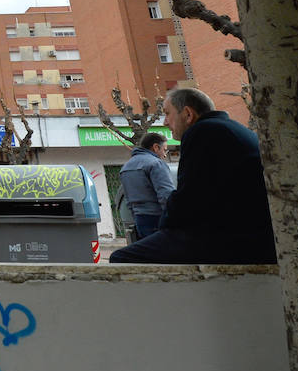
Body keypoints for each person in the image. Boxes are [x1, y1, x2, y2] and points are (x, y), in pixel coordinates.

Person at [111, 88, 276, 265]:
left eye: (167, 114)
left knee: (121, 259)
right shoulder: (233, 129)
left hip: (233, 236)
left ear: (188, 114)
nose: (165, 122)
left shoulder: (201, 132)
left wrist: (164, 226)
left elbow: (186, 199)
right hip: (253, 232)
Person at [119, 132, 176, 240]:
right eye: (164, 150)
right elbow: (166, 195)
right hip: (158, 218)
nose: (165, 155)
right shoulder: (156, 164)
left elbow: (128, 199)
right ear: (155, 147)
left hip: (139, 219)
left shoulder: (126, 167)